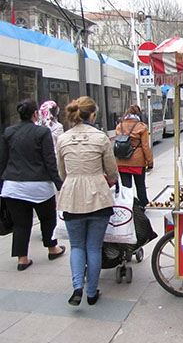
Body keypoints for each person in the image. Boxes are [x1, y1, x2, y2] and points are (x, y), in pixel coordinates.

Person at [56, 96, 119, 306]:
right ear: (92, 114)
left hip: (72, 197)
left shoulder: (63, 139)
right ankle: (92, 292)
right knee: (93, 247)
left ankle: (77, 287)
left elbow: (61, 172)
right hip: (98, 198)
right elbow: (112, 171)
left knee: (76, 246)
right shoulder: (101, 138)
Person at [0, 99, 65, 271]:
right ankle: (52, 248)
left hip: (13, 186)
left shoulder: (8, 132)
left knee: (21, 224)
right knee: (47, 218)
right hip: (39, 186)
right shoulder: (42, 133)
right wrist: (60, 184)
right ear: (35, 114)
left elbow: (3, 161)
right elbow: (50, 161)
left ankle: (22, 259)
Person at [115, 105, 153, 208]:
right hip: (137, 161)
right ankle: (143, 204)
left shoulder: (119, 126)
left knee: (126, 187)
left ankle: (128, 206)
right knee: (140, 185)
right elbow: (145, 146)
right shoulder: (141, 126)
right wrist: (149, 161)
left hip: (122, 160)